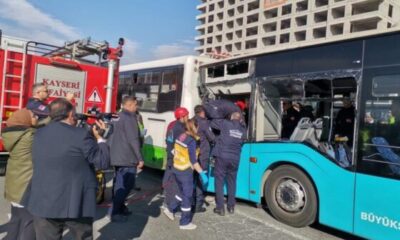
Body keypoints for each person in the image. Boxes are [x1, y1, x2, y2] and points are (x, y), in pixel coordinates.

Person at [26, 98, 110, 240]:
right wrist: (101, 139)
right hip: (76, 202)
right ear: (71, 114)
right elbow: (102, 162)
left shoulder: (38, 134)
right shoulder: (81, 135)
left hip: (43, 200)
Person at [163, 119, 208, 230]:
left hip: (176, 169)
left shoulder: (181, 136)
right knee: (187, 196)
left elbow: (174, 151)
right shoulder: (191, 141)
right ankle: (184, 222)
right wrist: (202, 173)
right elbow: (194, 161)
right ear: (194, 127)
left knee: (181, 192)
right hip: (185, 172)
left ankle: (170, 208)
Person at [2, 109, 37, 240]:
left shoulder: (12, 134)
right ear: (25, 120)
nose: (37, 117)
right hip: (25, 186)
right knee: (29, 221)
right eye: (34, 115)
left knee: (16, 220)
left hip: (14, 185)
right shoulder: (30, 135)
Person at [108, 96, 144, 222]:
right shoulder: (130, 118)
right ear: (129, 105)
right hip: (127, 158)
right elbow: (133, 140)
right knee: (126, 185)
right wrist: (140, 158)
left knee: (119, 184)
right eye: (135, 105)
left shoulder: (116, 116)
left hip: (117, 156)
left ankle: (120, 207)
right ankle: (114, 212)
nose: (136, 107)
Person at [211, 112, 246, 216]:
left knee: (219, 181)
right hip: (235, 158)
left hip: (222, 156)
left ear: (231, 117)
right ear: (240, 119)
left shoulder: (226, 123)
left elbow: (213, 123)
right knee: (232, 182)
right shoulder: (243, 129)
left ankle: (220, 208)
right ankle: (231, 207)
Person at [162, 107, 189, 209]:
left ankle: (166, 200)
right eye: (187, 115)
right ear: (182, 117)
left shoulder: (174, 125)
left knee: (169, 178)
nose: (188, 117)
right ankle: (169, 203)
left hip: (171, 156)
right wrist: (175, 157)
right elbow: (172, 143)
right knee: (174, 182)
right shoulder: (179, 129)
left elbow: (168, 141)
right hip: (175, 158)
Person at [193, 105, 215, 212]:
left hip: (193, 155)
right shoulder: (204, 122)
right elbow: (211, 137)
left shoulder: (191, 121)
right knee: (201, 180)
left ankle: (192, 202)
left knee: (193, 179)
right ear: (202, 112)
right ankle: (198, 205)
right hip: (203, 155)